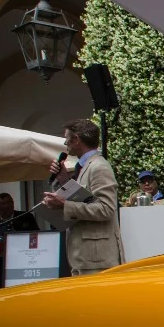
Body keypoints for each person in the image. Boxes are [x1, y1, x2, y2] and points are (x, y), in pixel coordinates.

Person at [44, 118, 121, 276]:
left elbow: (107, 209)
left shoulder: (99, 167)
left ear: (76, 139)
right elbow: (84, 198)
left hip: (98, 260)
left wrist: (65, 205)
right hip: (84, 257)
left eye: (66, 139)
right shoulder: (84, 167)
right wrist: (63, 180)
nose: (65, 144)